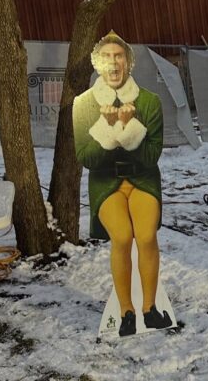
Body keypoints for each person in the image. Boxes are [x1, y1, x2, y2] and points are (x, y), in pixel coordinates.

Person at [73, 31, 171, 336]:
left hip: (142, 179)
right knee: (123, 236)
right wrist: (110, 129)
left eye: (119, 56)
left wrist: (129, 129)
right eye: (106, 57)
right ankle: (127, 310)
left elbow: (151, 154)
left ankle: (149, 309)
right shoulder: (84, 105)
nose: (113, 62)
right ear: (97, 64)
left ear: (128, 63)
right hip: (106, 183)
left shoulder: (150, 102)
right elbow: (86, 157)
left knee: (145, 236)